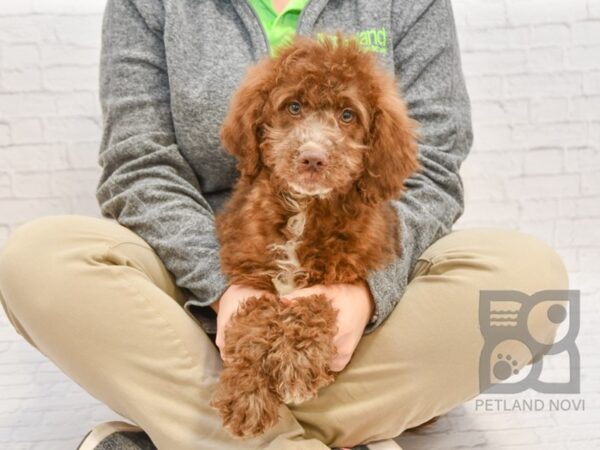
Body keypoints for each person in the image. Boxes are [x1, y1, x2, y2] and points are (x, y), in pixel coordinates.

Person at [0, 1, 568, 449]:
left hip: (365, 253)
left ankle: (195, 431)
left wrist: (367, 293)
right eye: (293, 110)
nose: (316, 140)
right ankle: (326, 434)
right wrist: (225, 290)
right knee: (39, 258)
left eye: (344, 115)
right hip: (205, 265)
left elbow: (433, 167)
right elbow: (139, 162)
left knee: (527, 280)